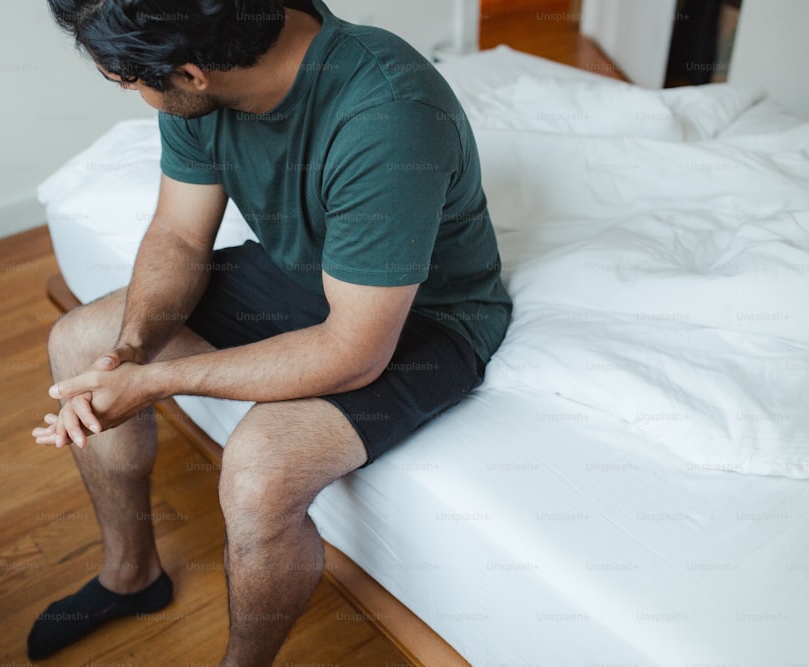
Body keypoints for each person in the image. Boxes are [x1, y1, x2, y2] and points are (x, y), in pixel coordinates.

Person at [29, 0, 512, 663]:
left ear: (193, 74)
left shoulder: (388, 115)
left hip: (425, 317)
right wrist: (129, 351)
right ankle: (130, 575)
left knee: (259, 473)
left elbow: (352, 350)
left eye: (128, 80)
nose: (131, 93)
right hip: (305, 272)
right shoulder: (210, 57)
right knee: (80, 340)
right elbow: (177, 233)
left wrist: (155, 381)